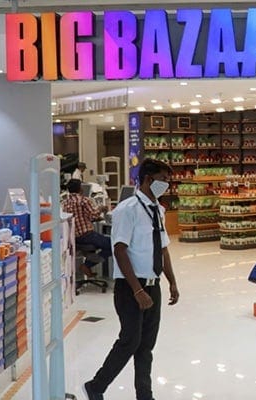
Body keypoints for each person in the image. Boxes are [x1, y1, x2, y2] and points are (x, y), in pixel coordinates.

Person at [84, 158, 180, 400]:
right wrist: (138, 291)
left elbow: (163, 249)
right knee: (130, 340)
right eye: (163, 180)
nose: (166, 185)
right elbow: (119, 250)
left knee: (146, 346)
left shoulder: (158, 210)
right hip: (131, 287)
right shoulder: (127, 210)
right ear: (148, 179)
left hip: (153, 285)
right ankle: (96, 386)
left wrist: (172, 281)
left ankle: (145, 395)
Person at [63, 178, 111, 277]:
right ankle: (87, 265)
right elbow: (93, 215)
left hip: (74, 238)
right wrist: (101, 209)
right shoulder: (84, 200)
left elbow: (76, 217)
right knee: (113, 245)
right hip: (87, 236)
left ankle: (89, 259)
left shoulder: (65, 202)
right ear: (80, 189)